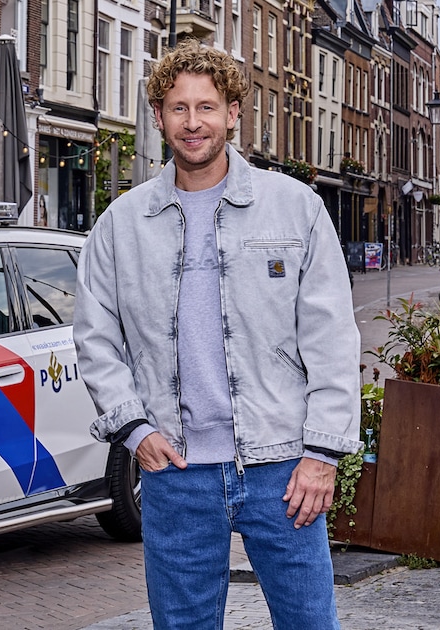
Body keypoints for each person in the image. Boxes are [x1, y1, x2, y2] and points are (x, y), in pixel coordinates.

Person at [74, 39, 361, 629]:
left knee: (310, 623)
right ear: (158, 118)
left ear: (233, 113)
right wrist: (133, 427)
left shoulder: (296, 208)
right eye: (178, 108)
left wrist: (323, 455)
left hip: (284, 468)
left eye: (207, 107)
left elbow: (332, 338)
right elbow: (95, 337)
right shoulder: (120, 225)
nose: (193, 122)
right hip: (176, 474)